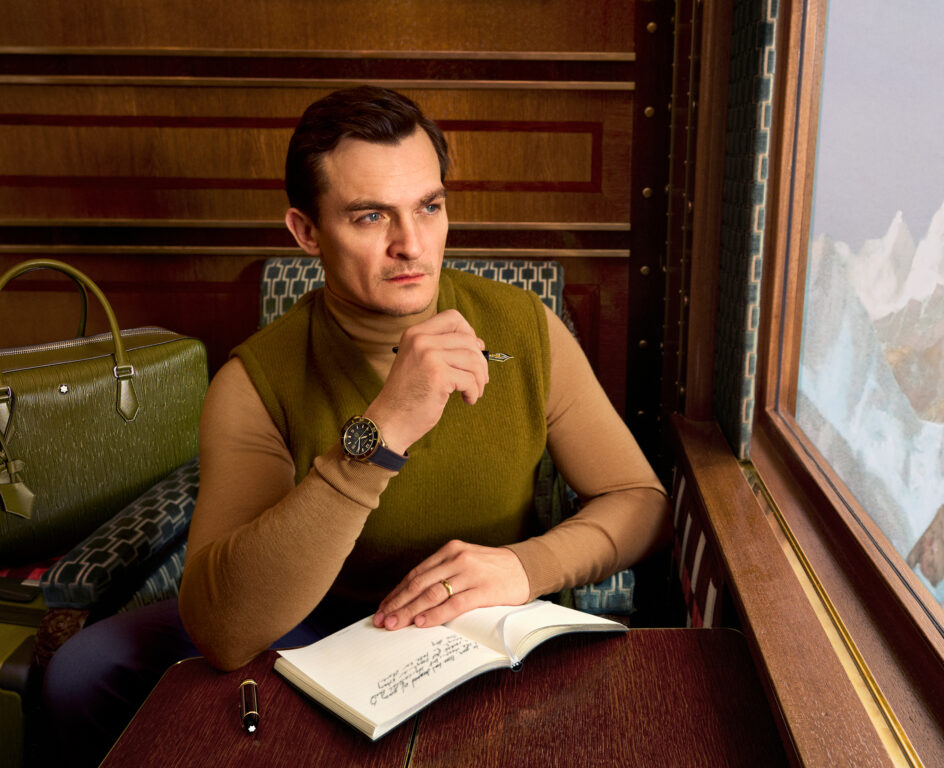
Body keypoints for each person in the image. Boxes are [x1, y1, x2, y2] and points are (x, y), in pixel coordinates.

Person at [42, 85, 670, 762]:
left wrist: (526, 565)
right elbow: (224, 630)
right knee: (78, 673)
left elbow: (642, 501)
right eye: (371, 217)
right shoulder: (253, 381)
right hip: (312, 629)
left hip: (481, 626)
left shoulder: (526, 329)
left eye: (429, 207)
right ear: (306, 232)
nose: (411, 245)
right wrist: (383, 430)